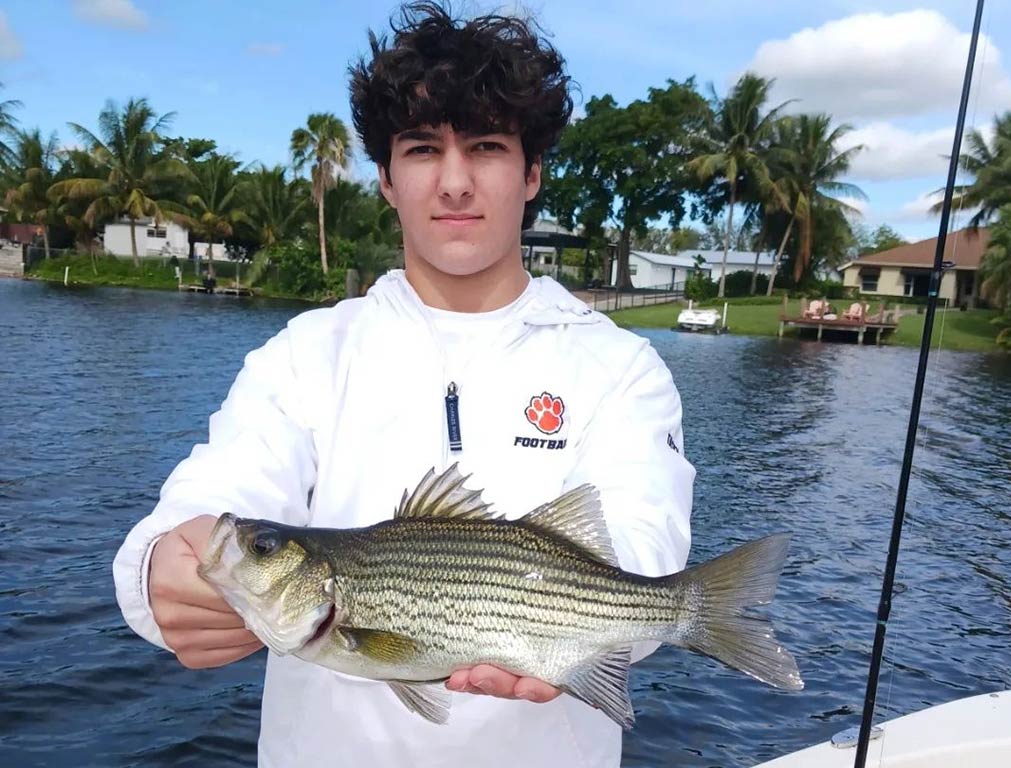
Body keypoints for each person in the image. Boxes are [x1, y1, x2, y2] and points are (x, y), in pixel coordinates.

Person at [112, 3, 694, 766]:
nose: (454, 182)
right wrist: (159, 569)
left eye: (485, 146)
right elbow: (206, 498)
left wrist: (598, 618)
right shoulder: (308, 352)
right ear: (386, 178)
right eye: (423, 149)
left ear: (532, 172)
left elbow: (642, 539)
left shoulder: (622, 368)